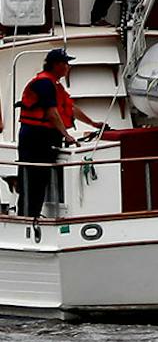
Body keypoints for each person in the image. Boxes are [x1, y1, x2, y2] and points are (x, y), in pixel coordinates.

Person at [16, 47, 95, 220]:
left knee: (42, 178)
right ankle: (27, 218)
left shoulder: (55, 85)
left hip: (46, 136)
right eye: (66, 63)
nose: (68, 67)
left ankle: (33, 215)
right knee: (34, 179)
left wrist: (93, 123)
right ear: (56, 65)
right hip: (36, 136)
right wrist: (66, 135)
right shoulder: (44, 83)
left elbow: (70, 108)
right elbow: (51, 113)